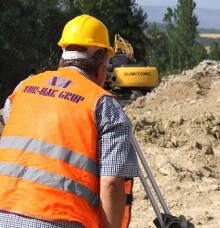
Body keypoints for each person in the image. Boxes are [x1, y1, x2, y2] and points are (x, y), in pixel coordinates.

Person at [0, 14, 138, 228]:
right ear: (102, 67)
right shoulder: (104, 105)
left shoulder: (23, 88)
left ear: (63, 57)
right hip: (60, 219)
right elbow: (111, 183)